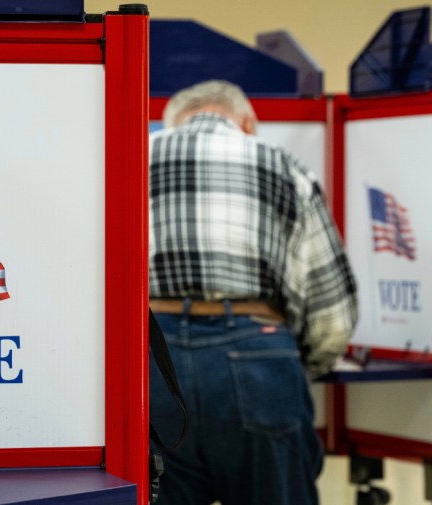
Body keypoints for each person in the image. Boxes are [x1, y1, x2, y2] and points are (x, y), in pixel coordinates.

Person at [148, 80, 358, 505]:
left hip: (150, 357)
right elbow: (332, 311)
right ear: (248, 122)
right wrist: (299, 364)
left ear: (170, 124)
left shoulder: (131, 154)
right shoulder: (280, 162)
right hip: (257, 352)